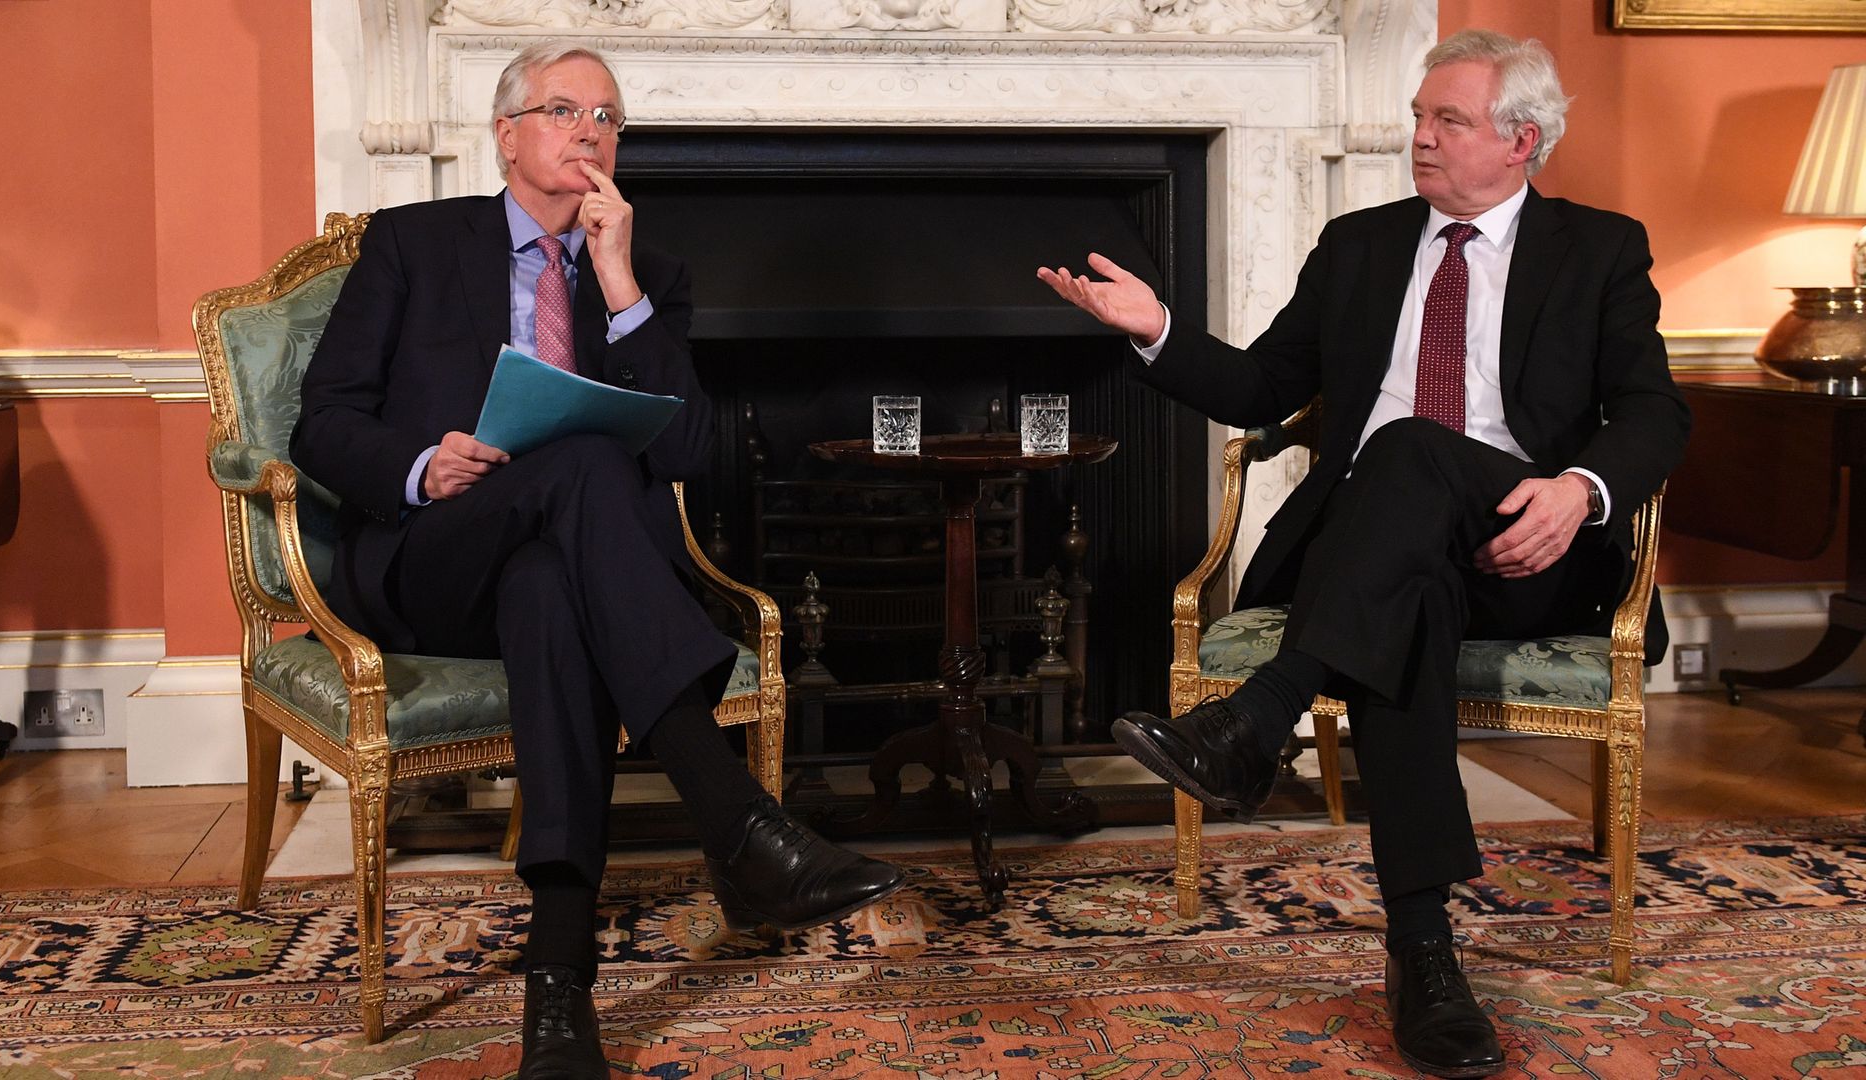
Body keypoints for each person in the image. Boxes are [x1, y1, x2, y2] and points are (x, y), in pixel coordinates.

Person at [1038, 28, 1688, 1079]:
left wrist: (1579, 490)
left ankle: (1258, 716)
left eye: (1449, 122)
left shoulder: (1600, 250)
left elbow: (1658, 413)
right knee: (1402, 583)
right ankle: (1425, 957)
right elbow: (1260, 391)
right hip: (1380, 558)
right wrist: (1157, 328)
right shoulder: (1361, 246)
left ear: (1522, 140)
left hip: (1529, 548)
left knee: (1413, 452)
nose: (1419, 140)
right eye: (1418, 118)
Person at [290, 42, 904, 1079]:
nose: (589, 133)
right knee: (577, 465)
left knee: (549, 595)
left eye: (608, 118)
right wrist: (418, 463)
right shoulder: (414, 244)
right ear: (507, 133)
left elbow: (681, 457)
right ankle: (739, 822)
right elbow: (321, 424)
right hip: (431, 557)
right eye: (564, 110)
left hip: (558, 575)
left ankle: (559, 991)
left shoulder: (650, 274)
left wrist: (618, 284)